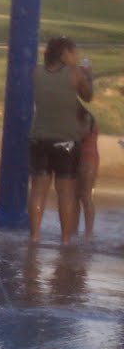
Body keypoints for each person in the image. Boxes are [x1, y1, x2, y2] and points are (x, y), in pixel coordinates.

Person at [28, 36, 95, 246]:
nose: (75, 56)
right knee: (65, 191)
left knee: (38, 189)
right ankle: (65, 240)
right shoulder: (74, 74)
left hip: (39, 138)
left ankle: (35, 237)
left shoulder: (36, 72)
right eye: (73, 52)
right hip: (66, 141)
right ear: (65, 53)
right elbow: (88, 96)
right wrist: (87, 76)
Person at [77, 58, 100, 236]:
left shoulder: (85, 115)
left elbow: (82, 135)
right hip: (82, 157)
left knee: (84, 195)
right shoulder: (80, 111)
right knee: (77, 196)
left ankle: (88, 234)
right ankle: (76, 231)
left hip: (87, 158)